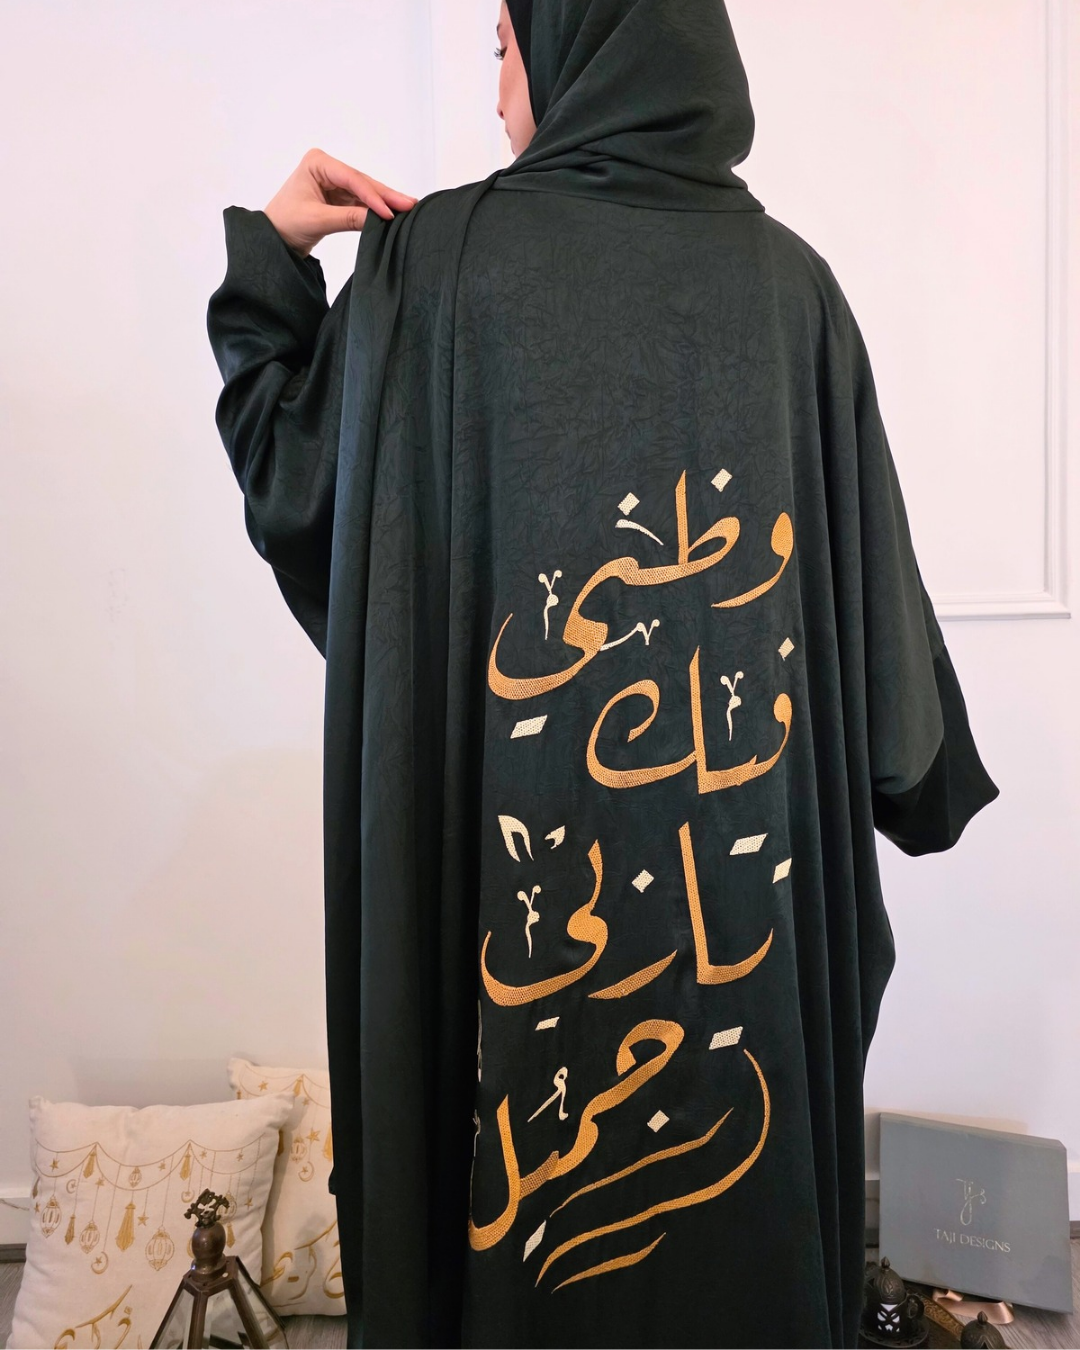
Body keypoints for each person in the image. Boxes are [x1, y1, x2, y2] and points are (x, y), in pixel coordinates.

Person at [206, 2, 1000, 1346]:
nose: (498, 93)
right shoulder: (794, 293)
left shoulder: (433, 270)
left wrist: (270, 262)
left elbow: (296, 481)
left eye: (503, 48)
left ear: (571, 42)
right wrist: (918, 781)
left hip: (518, 953)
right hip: (736, 968)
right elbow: (883, 668)